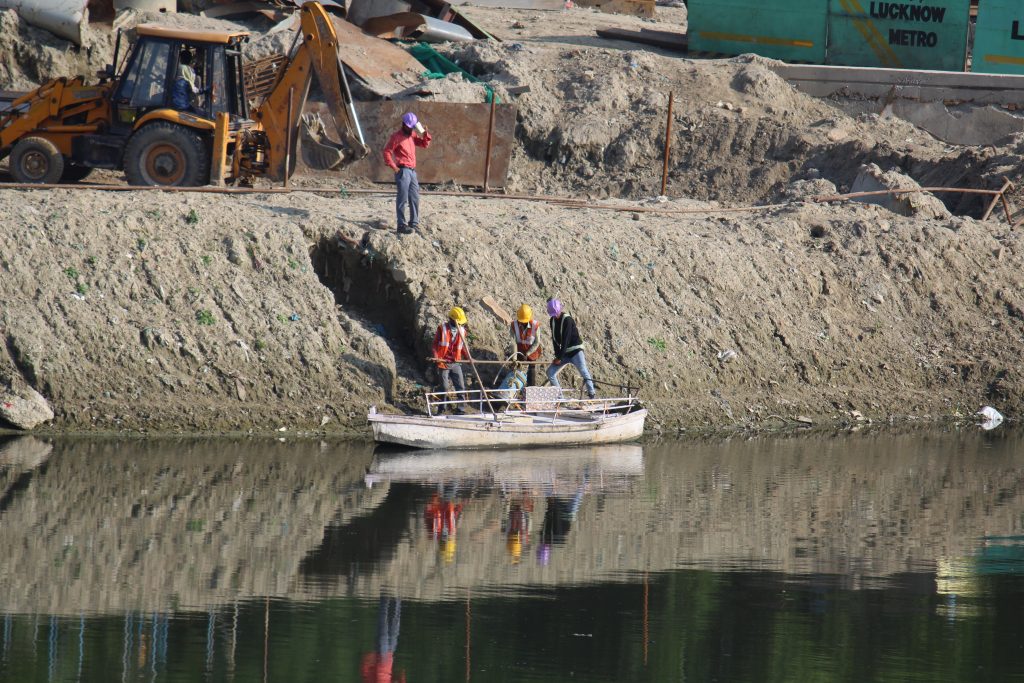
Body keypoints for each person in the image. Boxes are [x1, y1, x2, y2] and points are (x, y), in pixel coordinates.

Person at [382, 112, 432, 235]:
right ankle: (401, 224)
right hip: (402, 170)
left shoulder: (413, 135)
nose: (411, 128)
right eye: (410, 126)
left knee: (414, 197)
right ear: (404, 124)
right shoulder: (396, 137)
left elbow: (424, 144)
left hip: (412, 171)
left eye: (413, 126)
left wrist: (425, 134)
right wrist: (394, 167)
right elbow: (387, 152)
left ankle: (413, 223)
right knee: (402, 198)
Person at [545, 298, 596, 399]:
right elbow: (554, 340)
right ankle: (560, 398)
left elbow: (566, 340)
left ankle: (591, 393)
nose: (555, 316)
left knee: (583, 370)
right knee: (550, 372)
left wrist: (559, 357)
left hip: (575, 350)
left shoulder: (567, 320)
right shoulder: (552, 321)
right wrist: (557, 356)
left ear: (560, 310)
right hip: (564, 353)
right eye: (553, 314)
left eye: (556, 313)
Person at [432, 306, 469, 414]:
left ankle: (461, 409)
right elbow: (434, 344)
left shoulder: (462, 331)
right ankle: (442, 409)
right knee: (444, 386)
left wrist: (468, 357)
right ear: (452, 319)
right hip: (443, 362)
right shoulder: (442, 328)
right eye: (458, 322)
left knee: (460, 385)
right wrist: (436, 356)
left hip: (456, 362)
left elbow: (462, 347)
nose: (460, 324)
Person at [510, 304, 542, 386]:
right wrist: (514, 359)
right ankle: (514, 386)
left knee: (532, 368)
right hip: (519, 350)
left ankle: (531, 388)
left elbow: (537, 342)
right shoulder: (514, 325)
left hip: (532, 351)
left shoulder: (535, 326)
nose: (523, 323)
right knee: (515, 367)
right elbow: (513, 342)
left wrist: (527, 353)